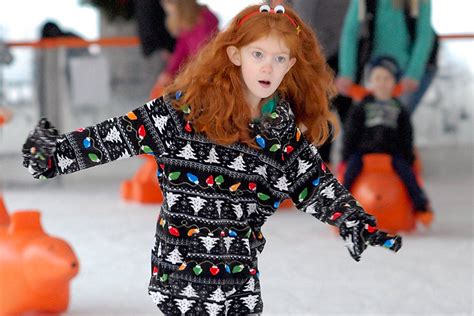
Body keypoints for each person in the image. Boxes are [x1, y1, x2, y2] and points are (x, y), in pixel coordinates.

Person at [22, 3, 402, 315]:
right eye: (258, 54)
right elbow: (118, 135)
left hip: (238, 281)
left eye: (279, 58)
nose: (268, 67)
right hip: (182, 273)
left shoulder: (279, 132)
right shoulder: (182, 113)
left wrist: (354, 222)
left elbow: (312, 183)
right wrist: (56, 154)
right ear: (235, 55)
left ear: (290, 65)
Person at [342, 56, 433, 224]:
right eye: (377, 78)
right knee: (349, 175)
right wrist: (346, 156)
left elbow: (406, 134)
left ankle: (421, 206)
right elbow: (351, 132)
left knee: (409, 176)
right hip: (363, 152)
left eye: (387, 79)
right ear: (370, 81)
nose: (382, 83)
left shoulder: (399, 108)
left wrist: (409, 158)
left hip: (392, 153)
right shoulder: (361, 106)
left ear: (394, 82)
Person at [336, 0, 437, 115]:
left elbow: (424, 36)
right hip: (377, 69)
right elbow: (350, 32)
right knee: (364, 119)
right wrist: (347, 73)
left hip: (413, 67)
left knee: (395, 120)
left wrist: (413, 74)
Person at [290, 0, 350, 164]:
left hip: (338, 49)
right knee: (320, 109)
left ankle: (343, 164)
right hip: (315, 49)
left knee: (334, 109)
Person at [150, 0, 219, 97]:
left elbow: (207, 53)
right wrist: (169, 72)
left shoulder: (206, 19)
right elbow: (181, 50)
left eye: (171, 8)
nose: (168, 11)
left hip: (209, 77)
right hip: (195, 76)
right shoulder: (185, 26)